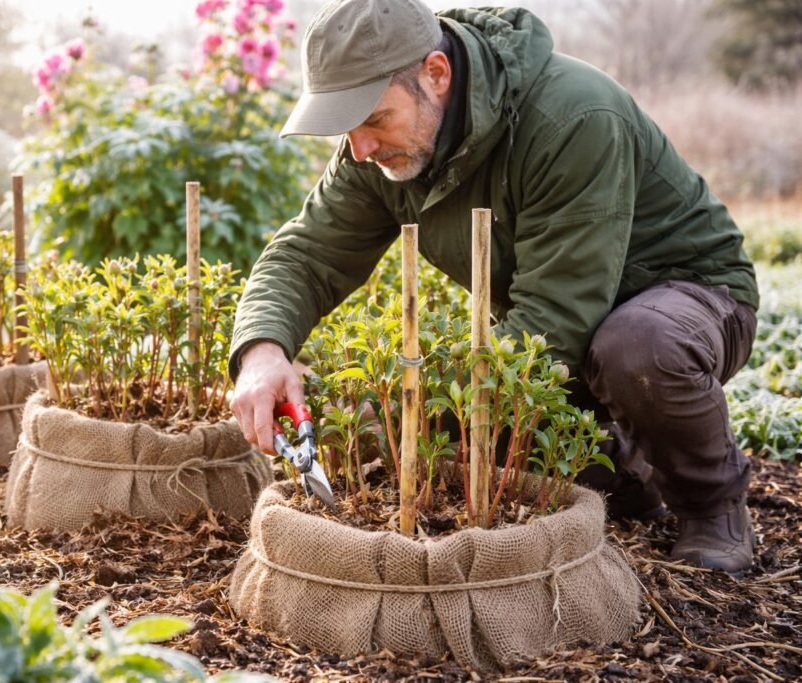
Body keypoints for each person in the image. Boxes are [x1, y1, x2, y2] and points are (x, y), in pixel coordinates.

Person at [228, 0, 759, 574]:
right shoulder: (377, 149)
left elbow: (557, 320)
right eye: (346, 126)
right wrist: (262, 351)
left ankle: (712, 505)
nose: (359, 148)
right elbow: (307, 255)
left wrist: (388, 403)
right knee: (491, 436)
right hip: (569, 322)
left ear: (436, 73)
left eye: (375, 119)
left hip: (688, 301)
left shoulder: (573, 117)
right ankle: (622, 474)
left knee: (634, 348)